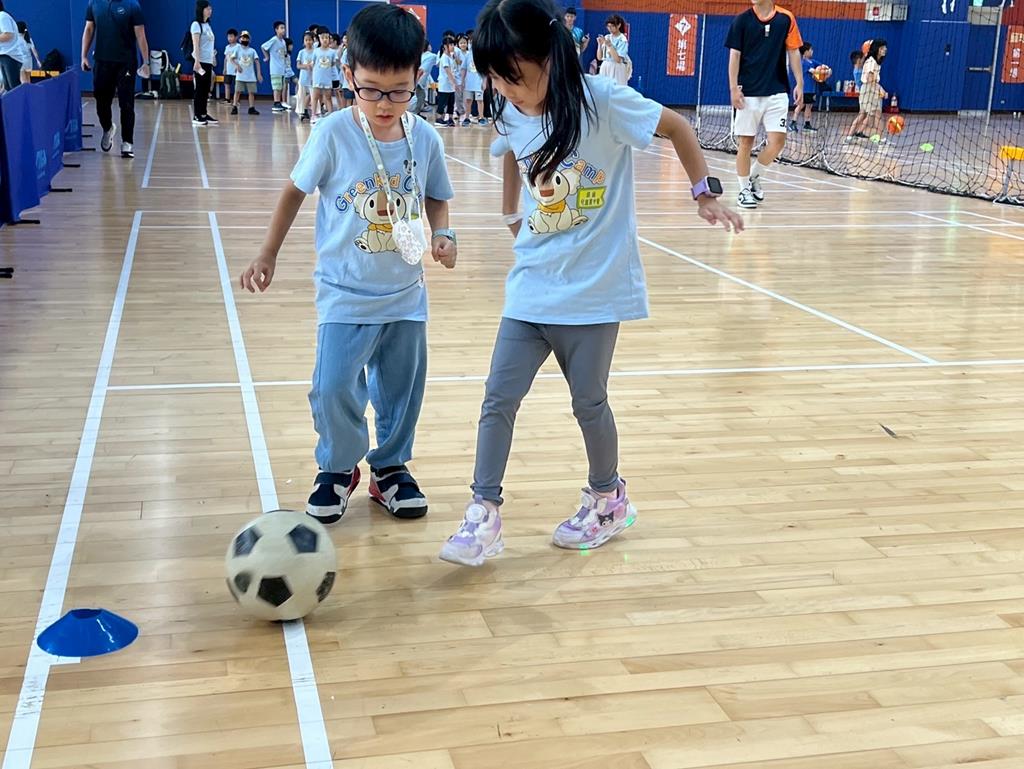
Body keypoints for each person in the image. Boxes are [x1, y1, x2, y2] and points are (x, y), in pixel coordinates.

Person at [438, 0, 742, 566]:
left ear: (549, 57)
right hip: (532, 285)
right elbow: (509, 148)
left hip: (596, 290)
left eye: (514, 76)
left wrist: (704, 193)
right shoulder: (512, 109)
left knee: (588, 402)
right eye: (496, 79)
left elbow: (677, 126)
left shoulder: (603, 100)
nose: (505, 89)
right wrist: (510, 212)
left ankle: (608, 498)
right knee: (498, 397)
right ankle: (484, 511)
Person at [240, 2, 457, 525]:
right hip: (344, 293)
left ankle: (390, 468)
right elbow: (293, 192)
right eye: (371, 89)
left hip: (405, 296)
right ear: (348, 74)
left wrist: (443, 233)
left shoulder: (424, 137)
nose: (385, 103)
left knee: (402, 390)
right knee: (333, 386)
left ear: (417, 76)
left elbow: (436, 195)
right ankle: (338, 468)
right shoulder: (333, 132)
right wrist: (268, 252)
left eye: (399, 91)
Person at [726, 0, 803, 209]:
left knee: (778, 141)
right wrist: (733, 88)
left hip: (777, 91)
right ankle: (743, 190)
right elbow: (734, 55)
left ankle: (754, 176)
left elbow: (793, 51)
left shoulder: (786, 19)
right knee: (746, 142)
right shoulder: (741, 21)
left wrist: (800, 83)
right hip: (748, 92)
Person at [81, 0, 150, 158]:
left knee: (126, 103)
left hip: (126, 63)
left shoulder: (132, 5)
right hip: (102, 61)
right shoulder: (94, 3)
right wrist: (83, 56)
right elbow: (89, 29)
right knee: (101, 101)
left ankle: (127, 143)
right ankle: (108, 128)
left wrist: (146, 62)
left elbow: (140, 35)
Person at [846, 39, 887, 142]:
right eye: (882, 48)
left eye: (885, 47)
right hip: (869, 90)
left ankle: (849, 137)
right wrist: (880, 89)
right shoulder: (871, 62)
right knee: (877, 115)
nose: (885, 49)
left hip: (868, 90)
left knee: (863, 115)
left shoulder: (875, 62)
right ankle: (882, 140)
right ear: (876, 49)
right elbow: (869, 79)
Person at [190, 1, 217, 126]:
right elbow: (196, 45)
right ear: (201, 10)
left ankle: (203, 113)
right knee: (200, 89)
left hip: (208, 61)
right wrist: (197, 62)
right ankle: (197, 115)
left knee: (206, 89)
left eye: (210, 8)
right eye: (207, 9)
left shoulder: (208, 25)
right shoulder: (196, 25)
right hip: (200, 61)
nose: (210, 11)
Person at [790, 42, 819, 132]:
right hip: (804, 89)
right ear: (806, 52)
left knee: (809, 106)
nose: (812, 51)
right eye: (811, 50)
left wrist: (827, 70)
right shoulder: (803, 63)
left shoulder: (813, 62)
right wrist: (820, 72)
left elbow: (821, 66)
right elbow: (814, 71)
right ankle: (793, 123)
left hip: (812, 89)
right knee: (800, 105)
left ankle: (807, 124)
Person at [230, 30, 261, 115]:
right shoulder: (237, 49)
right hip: (240, 75)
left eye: (246, 38)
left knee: (251, 92)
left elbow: (257, 62)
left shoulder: (252, 51)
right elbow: (231, 59)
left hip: (250, 76)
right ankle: (234, 107)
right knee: (237, 91)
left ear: (249, 40)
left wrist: (258, 73)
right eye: (243, 38)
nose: (245, 39)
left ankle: (251, 108)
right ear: (240, 39)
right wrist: (237, 66)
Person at [311, 26, 337, 123]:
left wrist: (335, 78)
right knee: (315, 97)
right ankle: (313, 115)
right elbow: (313, 64)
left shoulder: (332, 52)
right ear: (319, 39)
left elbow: (333, 65)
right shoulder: (316, 51)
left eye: (327, 37)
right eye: (322, 38)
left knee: (328, 97)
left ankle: (330, 115)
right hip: (317, 78)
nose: (325, 40)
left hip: (327, 78)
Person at [261, 20, 288, 112]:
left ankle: (279, 102)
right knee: (276, 86)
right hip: (275, 68)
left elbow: (284, 54)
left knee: (280, 86)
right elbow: (263, 46)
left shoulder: (283, 42)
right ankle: (276, 103)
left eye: (284, 28)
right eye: (281, 28)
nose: (283, 30)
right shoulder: (274, 40)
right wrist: (267, 57)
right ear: (276, 30)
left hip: (282, 68)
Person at [596, 15, 629, 85]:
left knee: (617, 89)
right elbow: (599, 58)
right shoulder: (607, 37)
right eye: (608, 26)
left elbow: (618, 59)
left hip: (616, 68)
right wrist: (599, 44)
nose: (610, 28)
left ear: (619, 25)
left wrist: (610, 45)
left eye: (612, 26)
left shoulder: (622, 39)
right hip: (605, 66)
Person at [462, 34, 484, 126]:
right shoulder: (467, 55)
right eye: (470, 42)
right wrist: (462, 81)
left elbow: (485, 70)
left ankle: (481, 118)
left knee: (480, 100)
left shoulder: (482, 54)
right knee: (468, 100)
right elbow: (464, 68)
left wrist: (484, 81)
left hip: (479, 82)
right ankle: (467, 117)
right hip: (469, 83)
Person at [435, 36, 457, 126]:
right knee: (442, 102)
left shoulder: (451, 57)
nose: (452, 46)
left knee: (451, 102)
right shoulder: (444, 57)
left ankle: (450, 119)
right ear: (445, 46)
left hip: (450, 86)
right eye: (450, 44)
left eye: (453, 44)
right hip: (444, 85)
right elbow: (447, 71)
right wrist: (453, 82)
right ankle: (439, 119)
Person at [0, 2, 21, 91]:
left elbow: (8, 35)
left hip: (10, 55)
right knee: (8, 87)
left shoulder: (2, 16)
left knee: (14, 87)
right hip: (4, 55)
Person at [295, 31, 315, 120]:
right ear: (303, 41)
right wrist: (306, 66)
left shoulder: (316, 52)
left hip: (313, 78)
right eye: (306, 40)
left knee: (313, 95)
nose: (308, 42)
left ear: (313, 40)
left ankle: (313, 112)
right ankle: (302, 111)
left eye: (310, 40)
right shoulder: (301, 52)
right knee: (301, 96)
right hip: (303, 78)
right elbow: (298, 65)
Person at [414, 40, 437, 115]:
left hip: (416, 79)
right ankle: (416, 114)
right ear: (428, 46)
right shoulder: (432, 56)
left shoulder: (419, 55)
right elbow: (439, 62)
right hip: (419, 80)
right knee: (421, 97)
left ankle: (418, 113)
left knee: (420, 97)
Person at [221, 28, 238, 103]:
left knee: (236, 85)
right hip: (228, 69)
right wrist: (225, 68)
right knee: (227, 84)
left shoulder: (238, 47)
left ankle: (236, 100)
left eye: (231, 36)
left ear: (236, 37)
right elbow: (225, 59)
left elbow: (240, 58)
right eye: (228, 37)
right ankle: (227, 99)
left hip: (236, 70)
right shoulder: (227, 47)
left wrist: (238, 67)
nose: (229, 38)